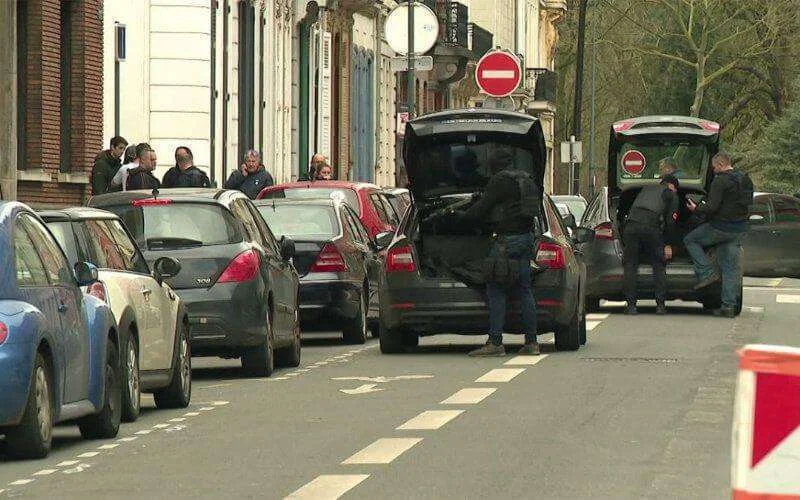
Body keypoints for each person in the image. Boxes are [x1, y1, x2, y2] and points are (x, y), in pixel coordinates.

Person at [445, 147, 541, 357]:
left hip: (507, 241)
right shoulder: (525, 179)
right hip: (526, 238)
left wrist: (458, 217)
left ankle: (495, 342)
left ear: (494, 165)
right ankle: (532, 342)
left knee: (495, 287)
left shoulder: (500, 181)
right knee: (525, 289)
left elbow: (480, 211)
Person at [684, 151, 753, 317]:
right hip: (739, 230)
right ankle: (728, 307)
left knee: (690, 240)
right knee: (730, 269)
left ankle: (707, 273)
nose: (713, 170)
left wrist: (696, 208)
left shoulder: (720, 181)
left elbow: (712, 207)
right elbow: (748, 204)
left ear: (721, 165)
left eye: (714, 167)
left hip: (720, 228)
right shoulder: (745, 180)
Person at [622, 175, 680, 315]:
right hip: (651, 229)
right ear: (673, 186)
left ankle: (631, 306)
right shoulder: (671, 194)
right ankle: (660, 305)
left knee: (630, 265)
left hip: (631, 227)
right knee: (658, 264)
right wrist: (668, 244)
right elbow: (670, 222)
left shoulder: (646, 190)